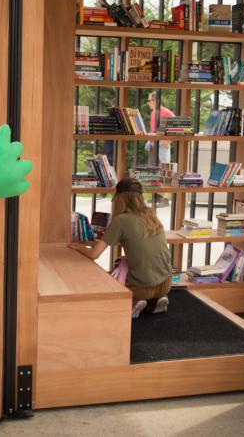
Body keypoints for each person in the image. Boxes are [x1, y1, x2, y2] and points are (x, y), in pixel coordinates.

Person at [68, 178, 172, 318]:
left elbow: (94, 254)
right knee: (135, 262)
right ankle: (159, 298)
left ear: (119, 199)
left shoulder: (121, 220)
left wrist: (77, 246)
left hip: (141, 288)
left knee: (120, 266)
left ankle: (135, 301)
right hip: (166, 283)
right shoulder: (152, 215)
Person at [146, 91, 174, 163]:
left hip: (162, 146)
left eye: (149, 101)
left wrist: (168, 141)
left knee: (164, 169)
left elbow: (176, 127)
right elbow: (152, 130)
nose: (148, 103)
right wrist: (149, 141)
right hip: (153, 146)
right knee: (152, 170)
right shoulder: (153, 113)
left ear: (155, 101)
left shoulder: (167, 113)